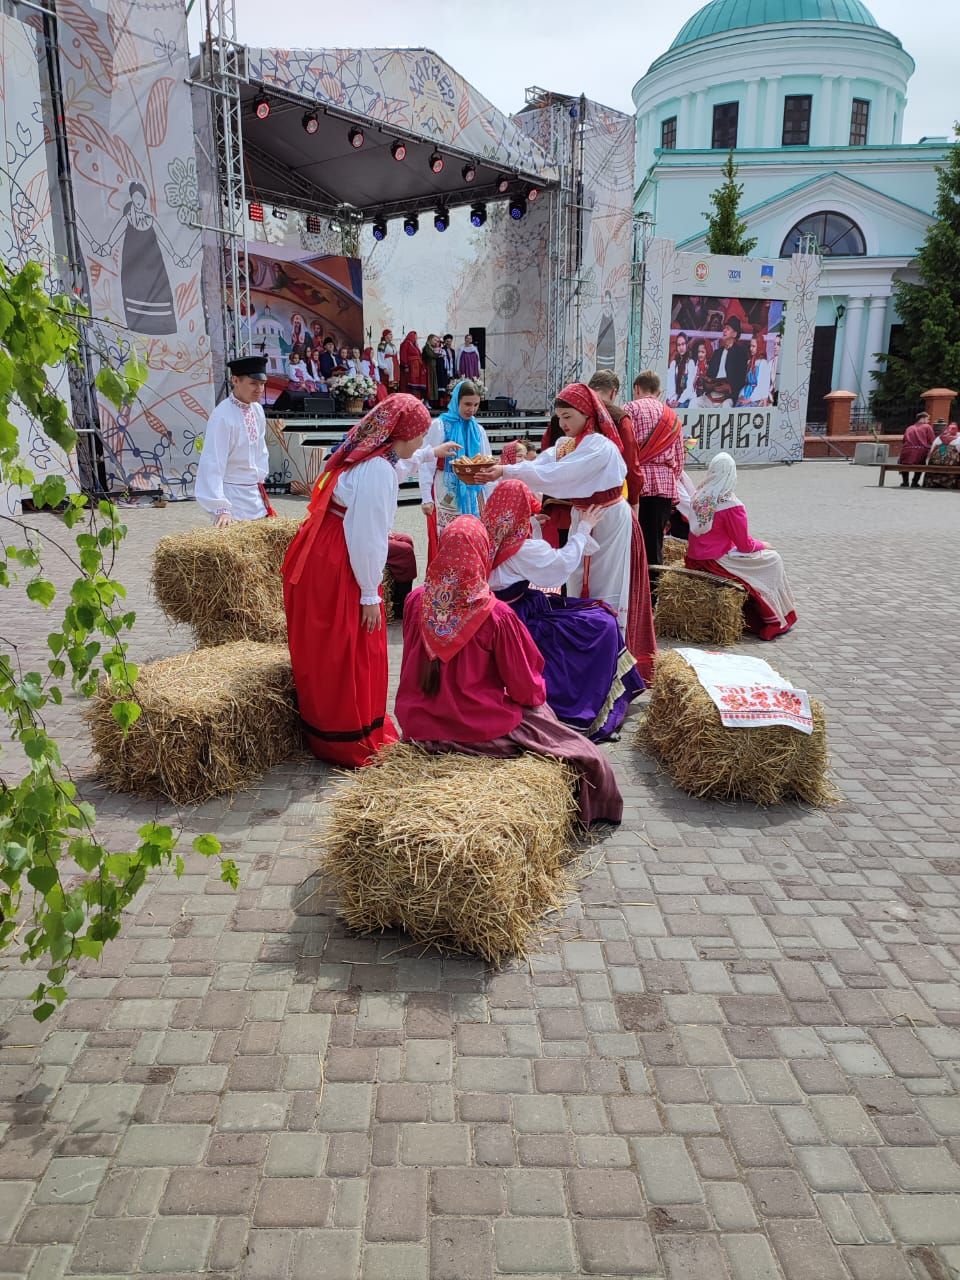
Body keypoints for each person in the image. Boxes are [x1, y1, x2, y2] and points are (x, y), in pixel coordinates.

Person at [395, 516, 623, 826]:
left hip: (418, 724)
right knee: (587, 757)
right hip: (476, 730)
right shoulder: (496, 615)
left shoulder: (414, 601)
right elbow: (526, 689)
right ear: (481, 555)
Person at [282, 395, 462, 767]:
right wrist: (368, 594)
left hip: (321, 551)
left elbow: (395, 468)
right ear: (401, 433)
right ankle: (352, 737)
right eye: (419, 435)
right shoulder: (377, 470)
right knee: (353, 642)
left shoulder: (366, 458)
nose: (421, 441)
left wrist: (429, 455)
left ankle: (325, 729)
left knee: (326, 644)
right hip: (341, 561)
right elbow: (368, 535)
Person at [472, 382, 656, 684]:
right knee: (573, 579)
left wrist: (506, 471)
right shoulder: (567, 445)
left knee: (605, 587)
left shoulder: (601, 446)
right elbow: (542, 464)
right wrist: (501, 466)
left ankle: (610, 663)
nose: (562, 423)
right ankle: (588, 652)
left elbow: (556, 475)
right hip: (583, 514)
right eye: (559, 417)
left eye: (568, 416)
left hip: (607, 517)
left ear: (587, 413)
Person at [483, 481, 644, 741]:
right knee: (601, 623)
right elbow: (558, 568)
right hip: (519, 619)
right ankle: (586, 704)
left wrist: (533, 525)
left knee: (591, 614)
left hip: (506, 609)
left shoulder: (488, 533)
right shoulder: (523, 549)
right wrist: (583, 529)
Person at [676, 452, 797, 640]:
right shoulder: (731, 504)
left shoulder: (700, 496)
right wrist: (763, 544)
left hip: (694, 558)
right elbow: (745, 546)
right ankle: (772, 619)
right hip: (716, 561)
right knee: (773, 560)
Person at [621, 371, 685, 592]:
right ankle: (652, 598)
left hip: (634, 485)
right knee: (654, 545)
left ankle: (631, 594)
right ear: (659, 392)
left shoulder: (629, 410)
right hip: (664, 487)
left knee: (628, 543)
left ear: (636, 388)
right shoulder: (673, 417)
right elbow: (678, 461)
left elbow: (623, 449)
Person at [196, 355, 276, 524]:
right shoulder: (222, 416)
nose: (259, 389)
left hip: (256, 497)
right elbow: (213, 462)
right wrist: (221, 508)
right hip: (231, 499)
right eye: (253, 383)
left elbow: (261, 450)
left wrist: (260, 482)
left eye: (262, 384)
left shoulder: (258, 410)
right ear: (235, 380)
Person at [420, 379, 493, 560]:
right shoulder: (440, 425)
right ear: (456, 402)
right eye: (467, 404)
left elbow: (486, 460)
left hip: (473, 489)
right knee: (447, 535)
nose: (472, 409)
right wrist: (426, 497)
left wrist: (489, 495)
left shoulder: (478, 429)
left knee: (473, 534)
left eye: (476, 405)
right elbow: (427, 460)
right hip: (447, 487)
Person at [588, 370, 642, 509]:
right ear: (613, 392)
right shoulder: (619, 418)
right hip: (608, 501)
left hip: (565, 503)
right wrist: (634, 500)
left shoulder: (565, 414)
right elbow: (630, 462)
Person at [696, 316, 748, 407]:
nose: (724, 330)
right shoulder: (717, 353)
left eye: (727, 329)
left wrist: (730, 387)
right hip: (712, 394)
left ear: (734, 334)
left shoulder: (740, 353)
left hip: (727, 397)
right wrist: (707, 382)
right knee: (695, 403)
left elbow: (741, 378)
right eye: (724, 328)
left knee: (726, 407)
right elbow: (709, 375)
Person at [897, 411, 935, 487]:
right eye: (928, 419)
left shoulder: (909, 427)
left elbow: (904, 440)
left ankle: (905, 482)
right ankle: (915, 482)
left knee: (905, 464)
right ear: (923, 419)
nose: (928, 421)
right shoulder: (927, 426)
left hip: (906, 451)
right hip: (920, 451)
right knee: (921, 464)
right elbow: (932, 440)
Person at [923, 420, 960, 488]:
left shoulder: (939, 438)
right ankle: (950, 484)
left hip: (935, 462)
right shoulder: (958, 439)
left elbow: (932, 450)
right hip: (950, 463)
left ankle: (932, 483)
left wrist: (927, 460)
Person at [736, 336, 771, 406]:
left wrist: (749, 399)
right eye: (750, 346)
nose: (750, 348)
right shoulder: (750, 362)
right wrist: (742, 395)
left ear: (760, 346)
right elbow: (747, 384)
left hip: (756, 397)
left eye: (753, 346)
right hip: (746, 393)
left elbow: (762, 386)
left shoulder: (763, 363)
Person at [666, 333, 694, 408]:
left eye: (683, 344)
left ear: (687, 345)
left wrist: (679, 401)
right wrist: (672, 400)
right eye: (678, 345)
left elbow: (689, 388)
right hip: (676, 397)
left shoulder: (690, 363)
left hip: (686, 398)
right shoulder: (674, 363)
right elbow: (671, 385)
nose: (681, 347)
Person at [399, 331, 427, 398]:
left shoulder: (414, 345)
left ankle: (417, 397)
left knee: (417, 382)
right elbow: (403, 354)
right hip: (411, 366)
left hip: (417, 366)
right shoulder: (406, 343)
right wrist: (405, 365)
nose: (416, 338)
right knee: (411, 382)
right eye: (415, 336)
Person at [422, 333, 440, 404]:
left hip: (432, 368)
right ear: (430, 339)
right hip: (428, 368)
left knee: (432, 385)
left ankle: (429, 401)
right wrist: (438, 354)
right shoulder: (426, 348)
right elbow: (431, 355)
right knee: (428, 385)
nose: (436, 342)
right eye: (434, 340)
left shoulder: (431, 348)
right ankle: (426, 401)